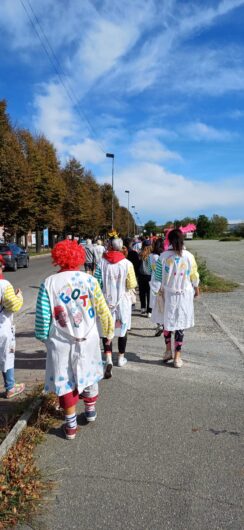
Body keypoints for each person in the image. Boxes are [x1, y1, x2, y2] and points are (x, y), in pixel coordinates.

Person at [35, 240, 114, 440]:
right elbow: (103, 310)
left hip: (61, 342)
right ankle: (90, 411)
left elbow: (43, 317)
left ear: (57, 258)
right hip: (88, 338)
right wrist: (108, 331)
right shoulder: (90, 281)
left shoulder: (49, 283)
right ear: (79, 257)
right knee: (89, 375)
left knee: (65, 381)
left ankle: (70, 427)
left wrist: (44, 337)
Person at [155, 229, 199, 368]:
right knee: (180, 324)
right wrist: (197, 288)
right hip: (184, 295)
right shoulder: (189, 256)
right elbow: (194, 275)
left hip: (168, 294)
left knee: (166, 322)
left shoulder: (163, 256)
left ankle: (168, 351)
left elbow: (156, 278)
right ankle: (177, 357)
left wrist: (156, 292)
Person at [94, 236, 137, 377]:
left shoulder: (101, 263)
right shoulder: (127, 264)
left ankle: (107, 358)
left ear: (110, 247)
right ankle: (120, 358)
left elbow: (97, 283)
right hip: (122, 301)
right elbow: (131, 284)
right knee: (122, 329)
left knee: (107, 330)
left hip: (106, 301)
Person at [0, 255, 25, 398]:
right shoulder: (4, 285)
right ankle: (10, 387)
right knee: (6, 356)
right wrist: (19, 296)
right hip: (3, 328)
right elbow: (14, 306)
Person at [148, 238, 165, 336]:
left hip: (154, 281)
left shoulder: (151, 256)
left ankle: (159, 325)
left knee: (155, 305)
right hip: (162, 282)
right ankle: (164, 324)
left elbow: (151, 269)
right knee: (163, 304)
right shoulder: (163, 257)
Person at [138, 240, 152, 317]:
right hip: (150, 276)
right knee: (149, 294)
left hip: (141, 275)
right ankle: (149, 311)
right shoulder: (152, 255)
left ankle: (143, 308)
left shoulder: (140, 254)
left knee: (142, 293)